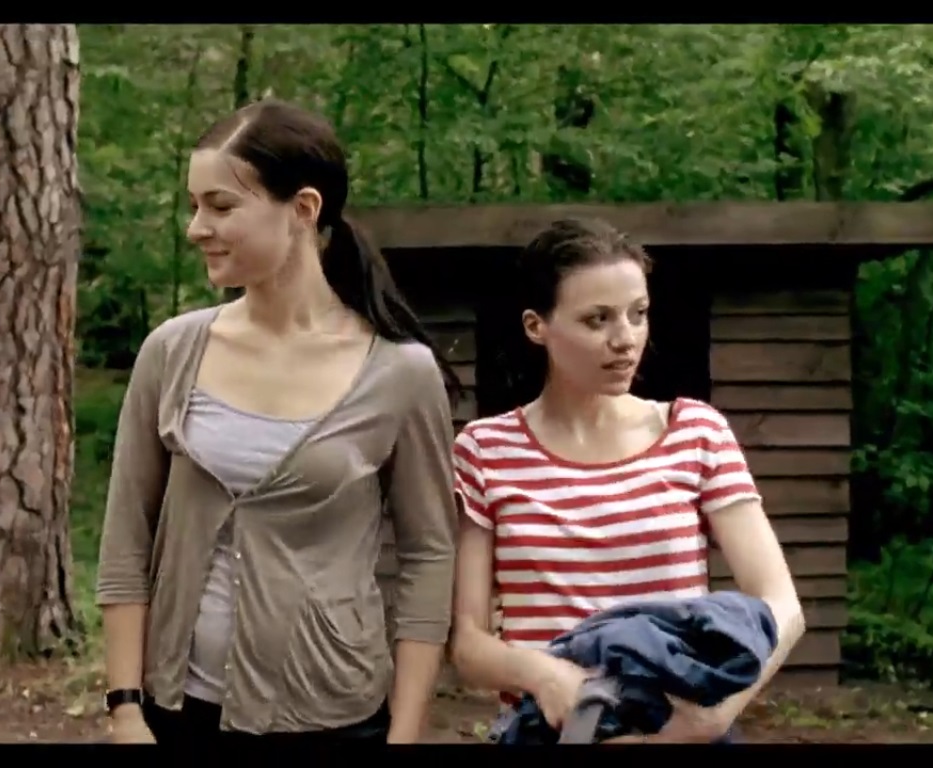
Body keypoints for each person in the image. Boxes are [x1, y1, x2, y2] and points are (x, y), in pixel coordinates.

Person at [94, 98, 460, 745]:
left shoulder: (399, 373)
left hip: (333, 714)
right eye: (194, 205)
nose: (196, 228)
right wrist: (126, 708)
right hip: (176, 712)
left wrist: (404, 733)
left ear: (304, 208)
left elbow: (429, 554)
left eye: (221, 206)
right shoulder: (172, 352)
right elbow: (127, 536)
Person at [447, 217, 807, 744]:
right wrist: (545, 675)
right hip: (550, 731)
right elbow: (469, 644)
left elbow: (783, 606)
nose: (625, 339)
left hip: (682, 728)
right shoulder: (484, 450)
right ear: (536, 326)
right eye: (597, 320)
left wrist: (707, 720)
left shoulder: (696, 432)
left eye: (638, 314)